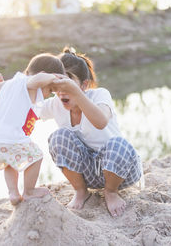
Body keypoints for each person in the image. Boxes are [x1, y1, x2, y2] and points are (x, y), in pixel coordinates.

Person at [38, 47, 143, 217]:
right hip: (90, 175)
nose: (62, 90)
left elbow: (101, 122)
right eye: (57, 83)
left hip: (121, 171)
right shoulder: (55, 104)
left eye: (68, 82)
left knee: (118, 144)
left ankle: (111, 192)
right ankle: (81, 191)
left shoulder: (100, 95)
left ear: (84, 84)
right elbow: (28, 109)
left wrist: (76, 93)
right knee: (58, 137)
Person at [0, 53, 65, 205]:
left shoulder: (9, 84)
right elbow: (37, 80)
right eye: (50, 90)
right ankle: (29, 191)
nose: (48, 95)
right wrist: (54, 77)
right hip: (9, 137)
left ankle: (13, 193)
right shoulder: (30, 84)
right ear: (43, 76)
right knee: (37, 156)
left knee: (10, 162)